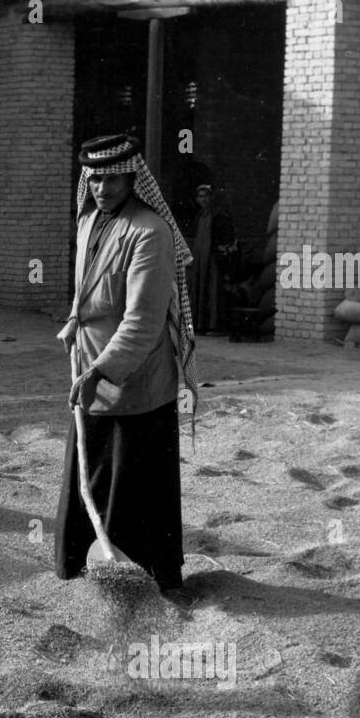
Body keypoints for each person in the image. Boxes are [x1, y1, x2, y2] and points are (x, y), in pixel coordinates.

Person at [53, 133, 199, 603]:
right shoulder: (88, 221)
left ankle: (151, 576)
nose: (102, 188)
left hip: (137, 381)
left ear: (133, 176)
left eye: (112, 177)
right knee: (92, 471)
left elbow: (142, 321)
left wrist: (99, 371)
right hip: (89, 369)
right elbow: (86, 292)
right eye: (94, 178)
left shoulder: (149, 231)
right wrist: (75, 325)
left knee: (133, 478)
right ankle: (83, 565)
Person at [187, 183, 238, 334]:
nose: (204, 200)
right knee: (199, 288)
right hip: (200, 258)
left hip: (212, 258)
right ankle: (200, 324)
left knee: (213, 289)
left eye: (206, 196)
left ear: (211, 197)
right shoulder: (199, 217)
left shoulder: (218, 216)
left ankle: (214, 325)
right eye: (200, 196)